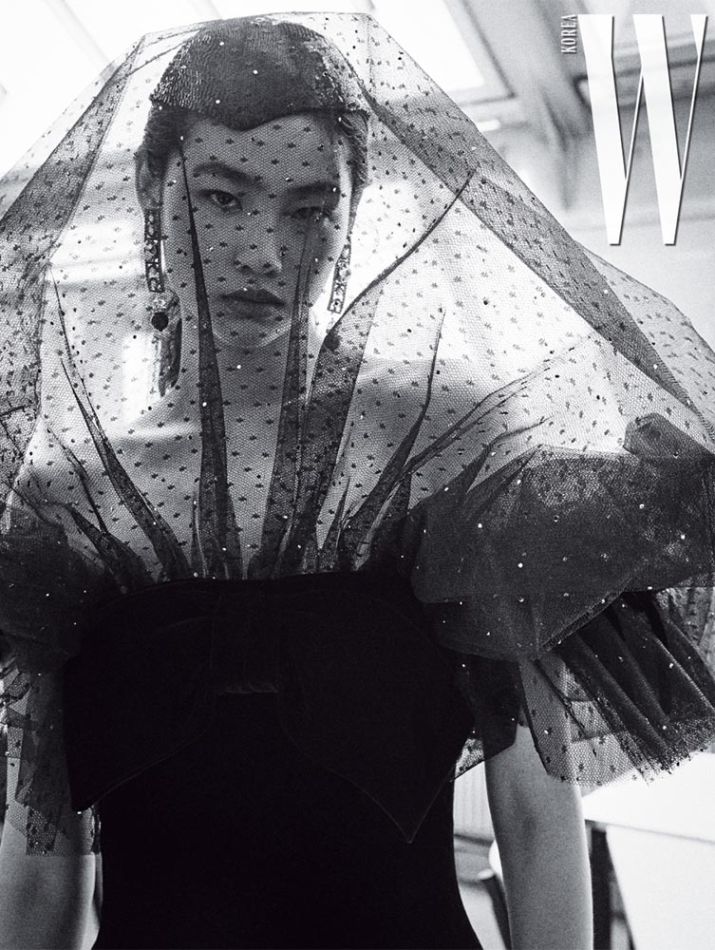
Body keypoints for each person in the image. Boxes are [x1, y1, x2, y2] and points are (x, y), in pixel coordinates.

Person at [1, 13, 714, 949]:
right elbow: (43, 857)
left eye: (308, 210)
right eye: (219, 197)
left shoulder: (448, 448)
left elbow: (536, 809)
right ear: (149, 187)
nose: (263, 250)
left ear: (352, 213)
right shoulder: (66, 500)